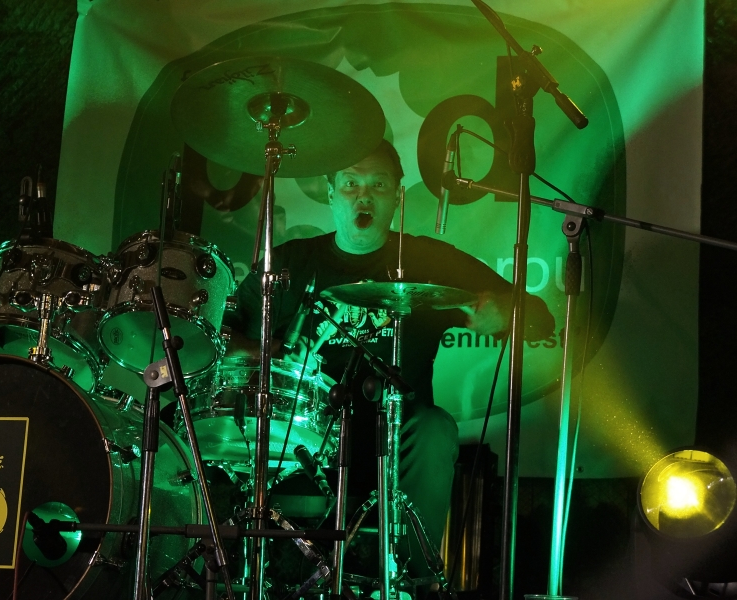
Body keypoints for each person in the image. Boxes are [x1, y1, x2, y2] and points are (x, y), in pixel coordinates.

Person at [225, 139, 554, 582]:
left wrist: (507, 311)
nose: (363, 196)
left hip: (398, 436)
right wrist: (266, 351)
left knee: (436, 428)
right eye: (350, 184)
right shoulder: (290, 264)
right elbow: (220, 334)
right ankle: (254, 576)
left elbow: (540, 318)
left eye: (378, 185)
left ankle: (412, 583)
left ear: (397, 196)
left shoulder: (429, 261)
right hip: (305, 439)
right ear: (330, 193)